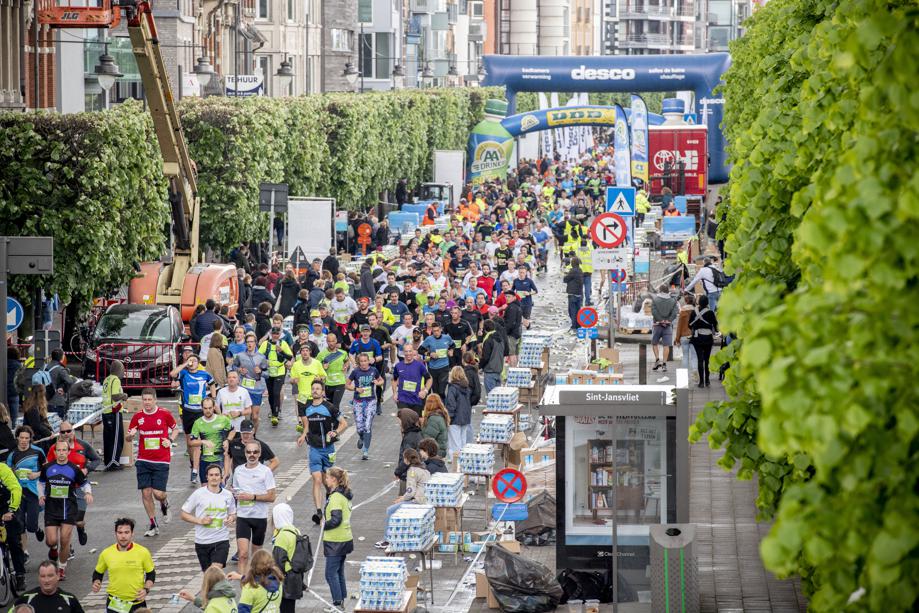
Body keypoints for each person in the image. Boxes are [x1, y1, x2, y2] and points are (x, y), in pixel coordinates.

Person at [127, 388, 178, 537]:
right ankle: (153, 523)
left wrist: (170, 440)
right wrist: (130, 436)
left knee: (158, 493)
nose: (147, 402)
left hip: (161, 459)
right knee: (146, 492)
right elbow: (129, 437)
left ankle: (164, 503)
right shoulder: (137, 417)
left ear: (155, 400)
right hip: (143, 459)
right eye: (145, 400)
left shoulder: (164, 414)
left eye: (150, 400)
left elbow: (175, 429)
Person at [39, 439, 92, 579]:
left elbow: (85, 483)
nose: (61, 453)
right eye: (59, 450)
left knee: (65, 538)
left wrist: (88, 493)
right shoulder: (47, 467)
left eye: (64, 450)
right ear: (55, 452)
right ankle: (54, 549)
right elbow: (41, 483)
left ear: (69, 452)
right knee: (51, 541)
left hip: (69, 508)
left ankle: (61, 568)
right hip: (51, 508)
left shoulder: (74, 469)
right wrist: (40, 495)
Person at [296, 381, 347, 525]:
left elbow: (344, 423)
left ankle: (330, 500)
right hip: (313, 448)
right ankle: (318, 511)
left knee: (327, 481)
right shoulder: (306, 407)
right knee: (317, 479)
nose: (315, 391)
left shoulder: (330, 407)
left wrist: (335, 432)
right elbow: (306, 426)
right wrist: (302, 436)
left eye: (318, 389)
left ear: (322, 391)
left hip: (329, 449)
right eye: (313, 389)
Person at [230, 439, 276, 575]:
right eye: (249, 452)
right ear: (245, 453)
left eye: (255, 452)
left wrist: (253, 497)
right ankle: (243, 585)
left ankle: (254, 585)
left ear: (260, 453)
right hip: (243, 517)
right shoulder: (238, 470)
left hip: (259, 517)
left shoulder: (266, 471)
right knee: (243, 555)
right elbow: (235, 491)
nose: (252, 455)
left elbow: (272, 496)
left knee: (256, 558)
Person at [91, 518, 155, 613]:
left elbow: (151, 574)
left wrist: (146, 589)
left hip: (137, 604)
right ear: (115, 534)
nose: (123, 536)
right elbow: (98, 573)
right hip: (115, 604)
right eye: (120, 532)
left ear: (132, 533)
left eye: (126, 532)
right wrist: (96, 582)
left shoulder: (143, 552)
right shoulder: (106, 553)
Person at [180, 464, 237, 571]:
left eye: (217, 475)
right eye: (211, 475)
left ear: (221, 477)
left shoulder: (228, 495)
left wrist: (231, 518)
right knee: (208, 576)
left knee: (215, 570)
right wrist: (200, 521)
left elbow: (233, 513)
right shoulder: (199, 494)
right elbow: (183, 514)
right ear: (207, 477)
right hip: (202, 541)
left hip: (221, 540)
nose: (214, 478)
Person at [170, 354, 215, 483]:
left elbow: (212, 384)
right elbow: (173, 374)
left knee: (198, 441)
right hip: (188, 412)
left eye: (194, 360)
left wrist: (213, 398)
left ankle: (196, 469)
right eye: (190, 360)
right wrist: (185, 364)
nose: (192, 362)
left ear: (198, 363)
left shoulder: (204, 374)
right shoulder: (184, 374)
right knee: (190, 442)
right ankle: (192, 463)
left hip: (201, 412)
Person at [56, 421, 101, 549]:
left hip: (80, 487)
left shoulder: (83, 445)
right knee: (66, 521)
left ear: (73, 431)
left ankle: (81, 529)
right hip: (62, 488)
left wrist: (87, 469)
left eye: (68, 431)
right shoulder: (55, 447)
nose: (66, 434)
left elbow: (97, 459)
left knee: (78, 520)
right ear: (59, 433)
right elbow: (48, 464)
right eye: (62, 432)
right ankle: (68, 548)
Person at [376, 449, 429, 549]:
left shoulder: (412, 471)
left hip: (417, 502)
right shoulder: (423, 469)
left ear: (406, 459)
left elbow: (410, 491)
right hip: (424, 500)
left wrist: (402, 499)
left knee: (390, 510)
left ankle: (387, 540)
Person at [8, 426, 45, 562]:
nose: (24, 441)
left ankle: (37, 529)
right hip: (19, 492)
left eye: (26, 438)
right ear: (17, 438)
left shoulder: (38, 451)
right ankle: (25, 552)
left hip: (33, 491)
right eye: (21, 438)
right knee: (20, 523)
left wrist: (36, 474)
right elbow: (9, 472)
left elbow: (47, 469)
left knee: (31, 525)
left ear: (30, 439)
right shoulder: (13, 455)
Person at [322, 467, 353, 611]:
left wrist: (324, 525)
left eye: (327, 477)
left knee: (330, 574)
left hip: (336, 541)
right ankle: (341, 600)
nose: (326, 479)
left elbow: (336, 520)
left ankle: (337, 603)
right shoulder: (344, 494)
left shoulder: (335, 497)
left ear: (334, 479)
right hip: (345, 538)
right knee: (339, 571)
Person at [345, 353, 383, 461]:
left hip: (371, 401)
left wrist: (378, 382)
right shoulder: (355, 372)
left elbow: (381, 380)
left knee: (367, 426)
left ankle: (366, 450)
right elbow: (346, 385)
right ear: (358, 362)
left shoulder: (374, 370)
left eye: (365, 361)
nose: (363, 363)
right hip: (358, 401)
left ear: (368, 361)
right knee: (359, 427)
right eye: (361, 361)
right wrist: (356, 389)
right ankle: (361, 437)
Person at [188, 397, 233, 482]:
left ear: (214, 407)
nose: (208, 410)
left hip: (219, 458)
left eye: (210, 408)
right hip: (204, 459)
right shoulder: (197, 423)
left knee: (218, 486)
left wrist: (228, 440)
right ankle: (195, 470)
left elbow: (232, 430)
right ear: (202, 408)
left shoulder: (223, 419)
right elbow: (191, 442)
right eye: (205, 408)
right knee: (205, 488)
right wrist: (203, 441)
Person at [231, 332, 269, 433]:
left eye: (251, 342)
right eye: (247, 342)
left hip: (256, 389)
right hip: (244, 388)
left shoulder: (261, 357)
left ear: (255, 343)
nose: (249, 344)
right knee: (246, 415)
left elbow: (267, 374)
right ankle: (246, 435)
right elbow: (233, 366)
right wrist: (239, 370)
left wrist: (260, 371)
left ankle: (254, 435)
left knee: (255, 416)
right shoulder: (240, 356)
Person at [12, 560, 84, 612]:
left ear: (58, 576)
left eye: (50, 576)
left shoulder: (70, 599)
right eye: (43, 576)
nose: (46, 580)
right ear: (39, 578)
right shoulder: (25, 598)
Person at [270, 503, 303, 613]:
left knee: (284, 608)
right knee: (290, 608)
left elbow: (278, 561)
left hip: (285, 580)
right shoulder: (295, 530)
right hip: (295, 576)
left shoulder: (282, 535)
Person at [258, 328, 293, 427]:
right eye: (274, 333)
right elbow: (259, 356)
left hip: (280, 371)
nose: (275, 335)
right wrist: (265, 362)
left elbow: (290, 357)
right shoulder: (266, 344)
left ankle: (275, 415)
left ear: (280, 334)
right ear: (271, 334)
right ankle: (273, 411)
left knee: (277, 392)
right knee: (271, 394)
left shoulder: (283, 343)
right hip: (269, 371)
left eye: (277, 334)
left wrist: (281, 351)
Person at [0, 455, 25, 590]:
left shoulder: (2, 469)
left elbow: (16, 488)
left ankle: (20, 574)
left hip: (7, 507)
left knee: (14, 541)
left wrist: (11, 510)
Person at [290, 345, 327, 434]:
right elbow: (291, 380)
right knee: (304, 418)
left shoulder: (317, 363)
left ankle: (314, 433)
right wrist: (294, 380)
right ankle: (307, 434)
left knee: (315, 418)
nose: (305, 352)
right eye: (303, 351)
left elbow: (324, 376)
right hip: (302, 396)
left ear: (310, 352)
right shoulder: (296, 365)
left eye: (307, 350)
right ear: (300, 353)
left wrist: (320, 378)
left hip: (314, 396)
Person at [232, 549, 283, 613]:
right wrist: (241, 577)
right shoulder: (278, 582)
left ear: (253, 565)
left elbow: (243, 610)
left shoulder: (250, 587)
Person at [101, 359, 128, 471]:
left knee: (108, 438)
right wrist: (124, 395)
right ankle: (114, 462)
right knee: (117, 438)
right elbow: (115, 396)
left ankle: (108, 461)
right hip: (114, 412)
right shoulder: (115, 379)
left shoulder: (106, 379)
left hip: (106, 412)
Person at [391, 344, 431, 416]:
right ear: (403, 352)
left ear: (413, 352)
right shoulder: (398, 366)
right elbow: (394, 380)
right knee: (404, 423)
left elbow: (429, 379)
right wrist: (394, 393)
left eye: (410, 351)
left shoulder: (420, 365)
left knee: (416, 424)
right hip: (402, 399)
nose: (408, 353)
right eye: (406, 351)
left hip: (416, 400)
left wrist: (425, 391)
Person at [689, 295, 719, 388]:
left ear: (699, 302)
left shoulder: (694, 312)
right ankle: (708, 380)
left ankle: (701, 382)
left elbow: (689, 325)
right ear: (707, 303)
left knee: (700, 360)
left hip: (697, 338)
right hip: (708, 339)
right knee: (707, 360)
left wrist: (696, 327)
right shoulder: (710, 313)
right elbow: (716, 326)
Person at [445, 366, 473, 459]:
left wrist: (449, 418)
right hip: (465, 418)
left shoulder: (452, 388)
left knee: (454, 444)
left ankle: (455, 465)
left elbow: (451, 404)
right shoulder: (467, 387)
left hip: (455, 419)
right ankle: (463, 463)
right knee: (462, 442)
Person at [650, 285, 680, 372]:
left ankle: (657, 360)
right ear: (668, 291)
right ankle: (664, 364)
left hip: (657, 325)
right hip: (668, 326)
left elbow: (653, 311)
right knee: (666, 345)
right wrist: (668, 320)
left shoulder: (655, 300)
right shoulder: (672, 300)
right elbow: (675, 313)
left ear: (660, 290)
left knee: (654, 343)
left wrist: (661, 320)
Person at [316, 333, 349, 412]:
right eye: (329, 341)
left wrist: (346, 366)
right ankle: (332, 422)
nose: (331, 343)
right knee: (329, 405)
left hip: (340, 383)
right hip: (327, 384)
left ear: (336, 341)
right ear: (326, 341)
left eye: (333, 341)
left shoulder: (343, 353)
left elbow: (347, 360)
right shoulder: (321, 354)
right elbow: (316, 368)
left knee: (335, 405)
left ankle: (336, 423)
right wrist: (323, 368)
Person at [420, 322, 453, 397]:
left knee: (441, 391)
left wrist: (451, 351)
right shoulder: (429, 339)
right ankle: (438, 406)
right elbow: (420, 350)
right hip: (433, 368)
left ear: (441, 329)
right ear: (432, 330)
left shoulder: (447, 338)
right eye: (434, 331)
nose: (436, 332)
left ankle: (443, 406)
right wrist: (430, 354)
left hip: (444, 366)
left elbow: (452, 345)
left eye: (438, 330)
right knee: (435, 391)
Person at [393, 409, 423, 487]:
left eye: (400, 421)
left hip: (408, 477)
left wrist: (398, 472)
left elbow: (407, 458)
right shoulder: (416, 433)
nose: (399, 424)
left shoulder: (409, 437)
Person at [479, 320, 504, 395]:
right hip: (499, 369)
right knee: (497, 397)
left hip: (490, 370)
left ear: (485, 329)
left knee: (491, 397)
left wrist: (480, 366)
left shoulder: (488, 340)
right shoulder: (500, 338)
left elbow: (486, 357)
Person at [676, 294, 698, 377]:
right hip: (693, 336)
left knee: (685, 356)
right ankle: (695, 371)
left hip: (684, 336)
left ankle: (684, 375)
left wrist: (677, 339)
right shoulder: (696, 311)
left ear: (686, 301)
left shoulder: (683, 312)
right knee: (694, 356)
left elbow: (679, 326)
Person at [564, 257, 585, 331]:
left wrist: (566, 274)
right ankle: (578, 324)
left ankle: (574, 325)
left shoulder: (573, 271)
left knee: (572, 310)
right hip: (579, 293)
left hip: (572, 293)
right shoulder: (580, 270)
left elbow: (565, 279)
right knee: (578, 310)